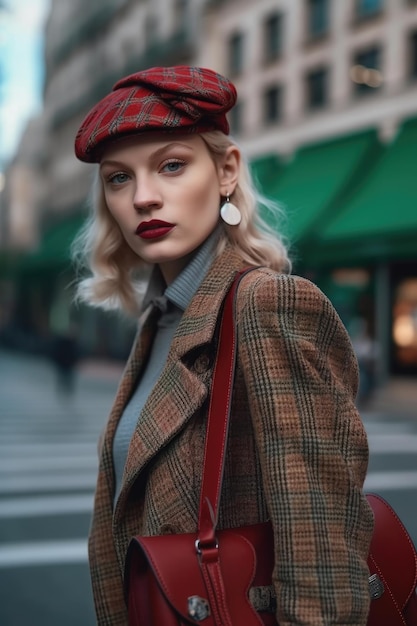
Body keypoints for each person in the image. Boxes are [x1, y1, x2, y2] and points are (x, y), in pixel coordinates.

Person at [73, 66, 374, 625]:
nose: (143, 197)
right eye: (119, 178)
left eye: (171, 165)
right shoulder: (160, 319)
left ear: (226, 170)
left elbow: (322, 552)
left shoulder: (268, 304)